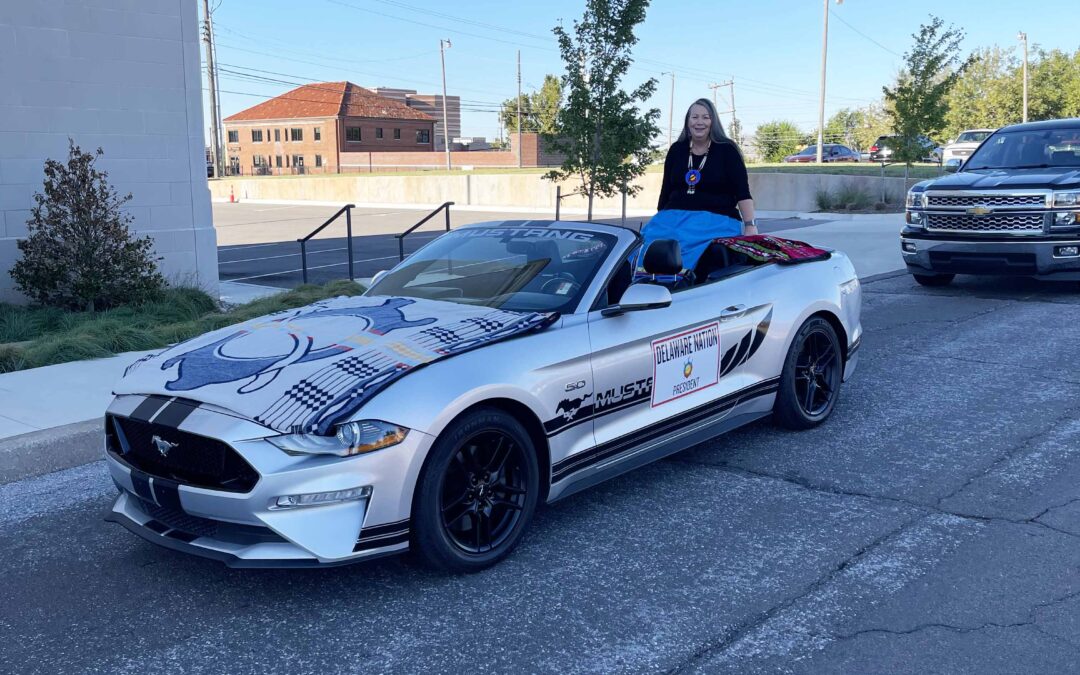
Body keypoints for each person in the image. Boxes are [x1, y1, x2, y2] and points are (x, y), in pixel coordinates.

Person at [643, 98, 757, 273]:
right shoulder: (677, 150)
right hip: (673, 219)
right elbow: (666, 191)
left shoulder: (727, 150)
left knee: (686, 256)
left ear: (713, 122)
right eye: (695, 117)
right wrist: (660, 220)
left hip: (715, 220)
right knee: (643, 248)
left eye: (706, 117)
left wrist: (750, 225)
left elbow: (742, 192)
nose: (700, 122)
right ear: (688, 121)